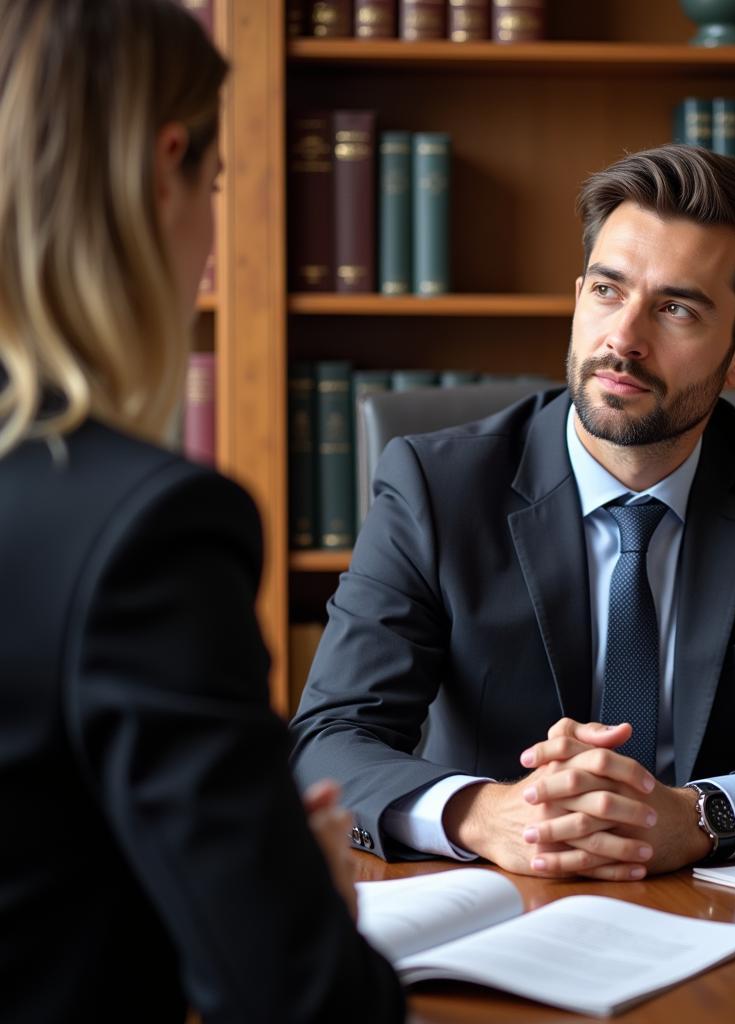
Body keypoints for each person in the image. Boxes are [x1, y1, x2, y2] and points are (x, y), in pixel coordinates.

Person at [290, 143, 735, 882]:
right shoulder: (435, 485)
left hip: (727, 911)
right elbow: (326, 740)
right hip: (498, 897)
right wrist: (484, 814)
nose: (623, 339)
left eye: (675, 308)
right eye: (608, 291)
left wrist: (703, 816)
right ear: (579, 295)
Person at [0, 2, 403, 1021]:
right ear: (163, 166)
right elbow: (296, 999)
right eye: (217, 184)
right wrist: (293, 891)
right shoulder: (144, 533)